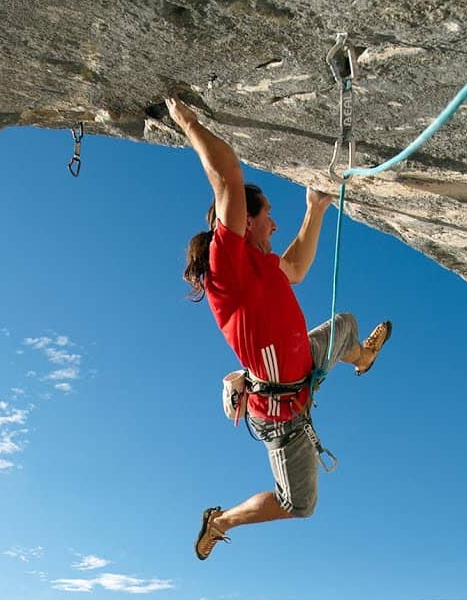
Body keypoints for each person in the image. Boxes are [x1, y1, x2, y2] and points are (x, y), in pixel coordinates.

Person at [164, 95, 393, 561]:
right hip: (280, 413)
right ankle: (220, 520)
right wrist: (187, 122)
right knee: (299, 504)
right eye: (267, 214)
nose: (274, 221)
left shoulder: (261, 264)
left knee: (346, 326)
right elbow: (227, 176)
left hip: (304, 367)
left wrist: (317, 208)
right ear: (244, 222)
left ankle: (363, 359)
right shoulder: (227, 266)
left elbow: (295, 266)